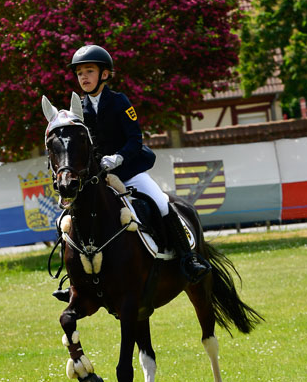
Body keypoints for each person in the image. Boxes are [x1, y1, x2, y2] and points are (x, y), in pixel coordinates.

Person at [67, 44, 212, 283]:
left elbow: (135, 140)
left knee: (160, 202)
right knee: (72, 216)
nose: (83, 77)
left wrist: (117, 158)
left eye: (89, 71)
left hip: (128, 171)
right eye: (79, 72)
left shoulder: (119, 101)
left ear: (104, 74)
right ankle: (73, 278)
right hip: (97, 178)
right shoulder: (79, 110)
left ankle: (188, 258)